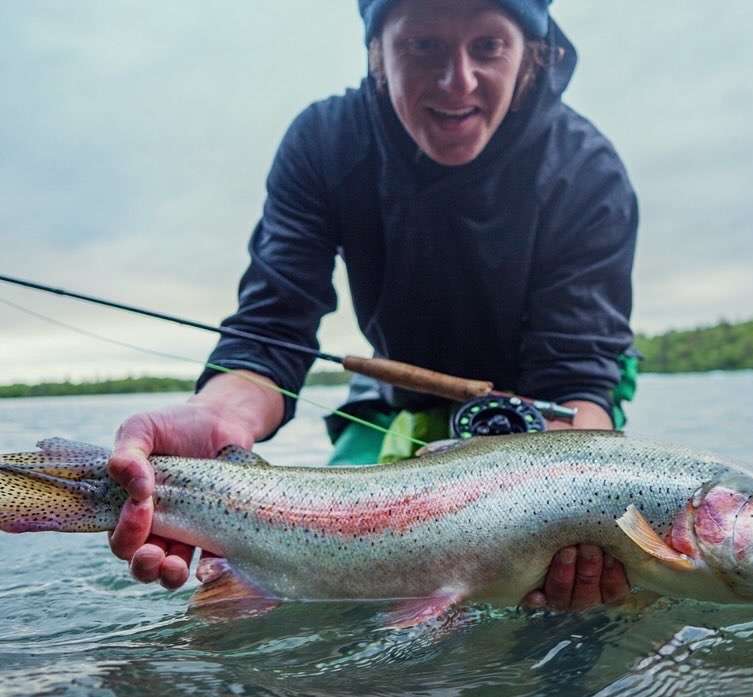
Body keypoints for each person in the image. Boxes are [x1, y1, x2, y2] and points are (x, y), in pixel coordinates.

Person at [107, 0, 639, 612]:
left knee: (578, 606)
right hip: (396, 403)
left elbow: (577, 375)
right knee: (309, 590)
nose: (457, 80)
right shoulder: (326, 141)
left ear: (530, 55)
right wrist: (216, 413)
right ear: (377, 55)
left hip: (558, 412)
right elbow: (272, 327)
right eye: (423, 47)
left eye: (487, 47)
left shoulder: (586, 169)